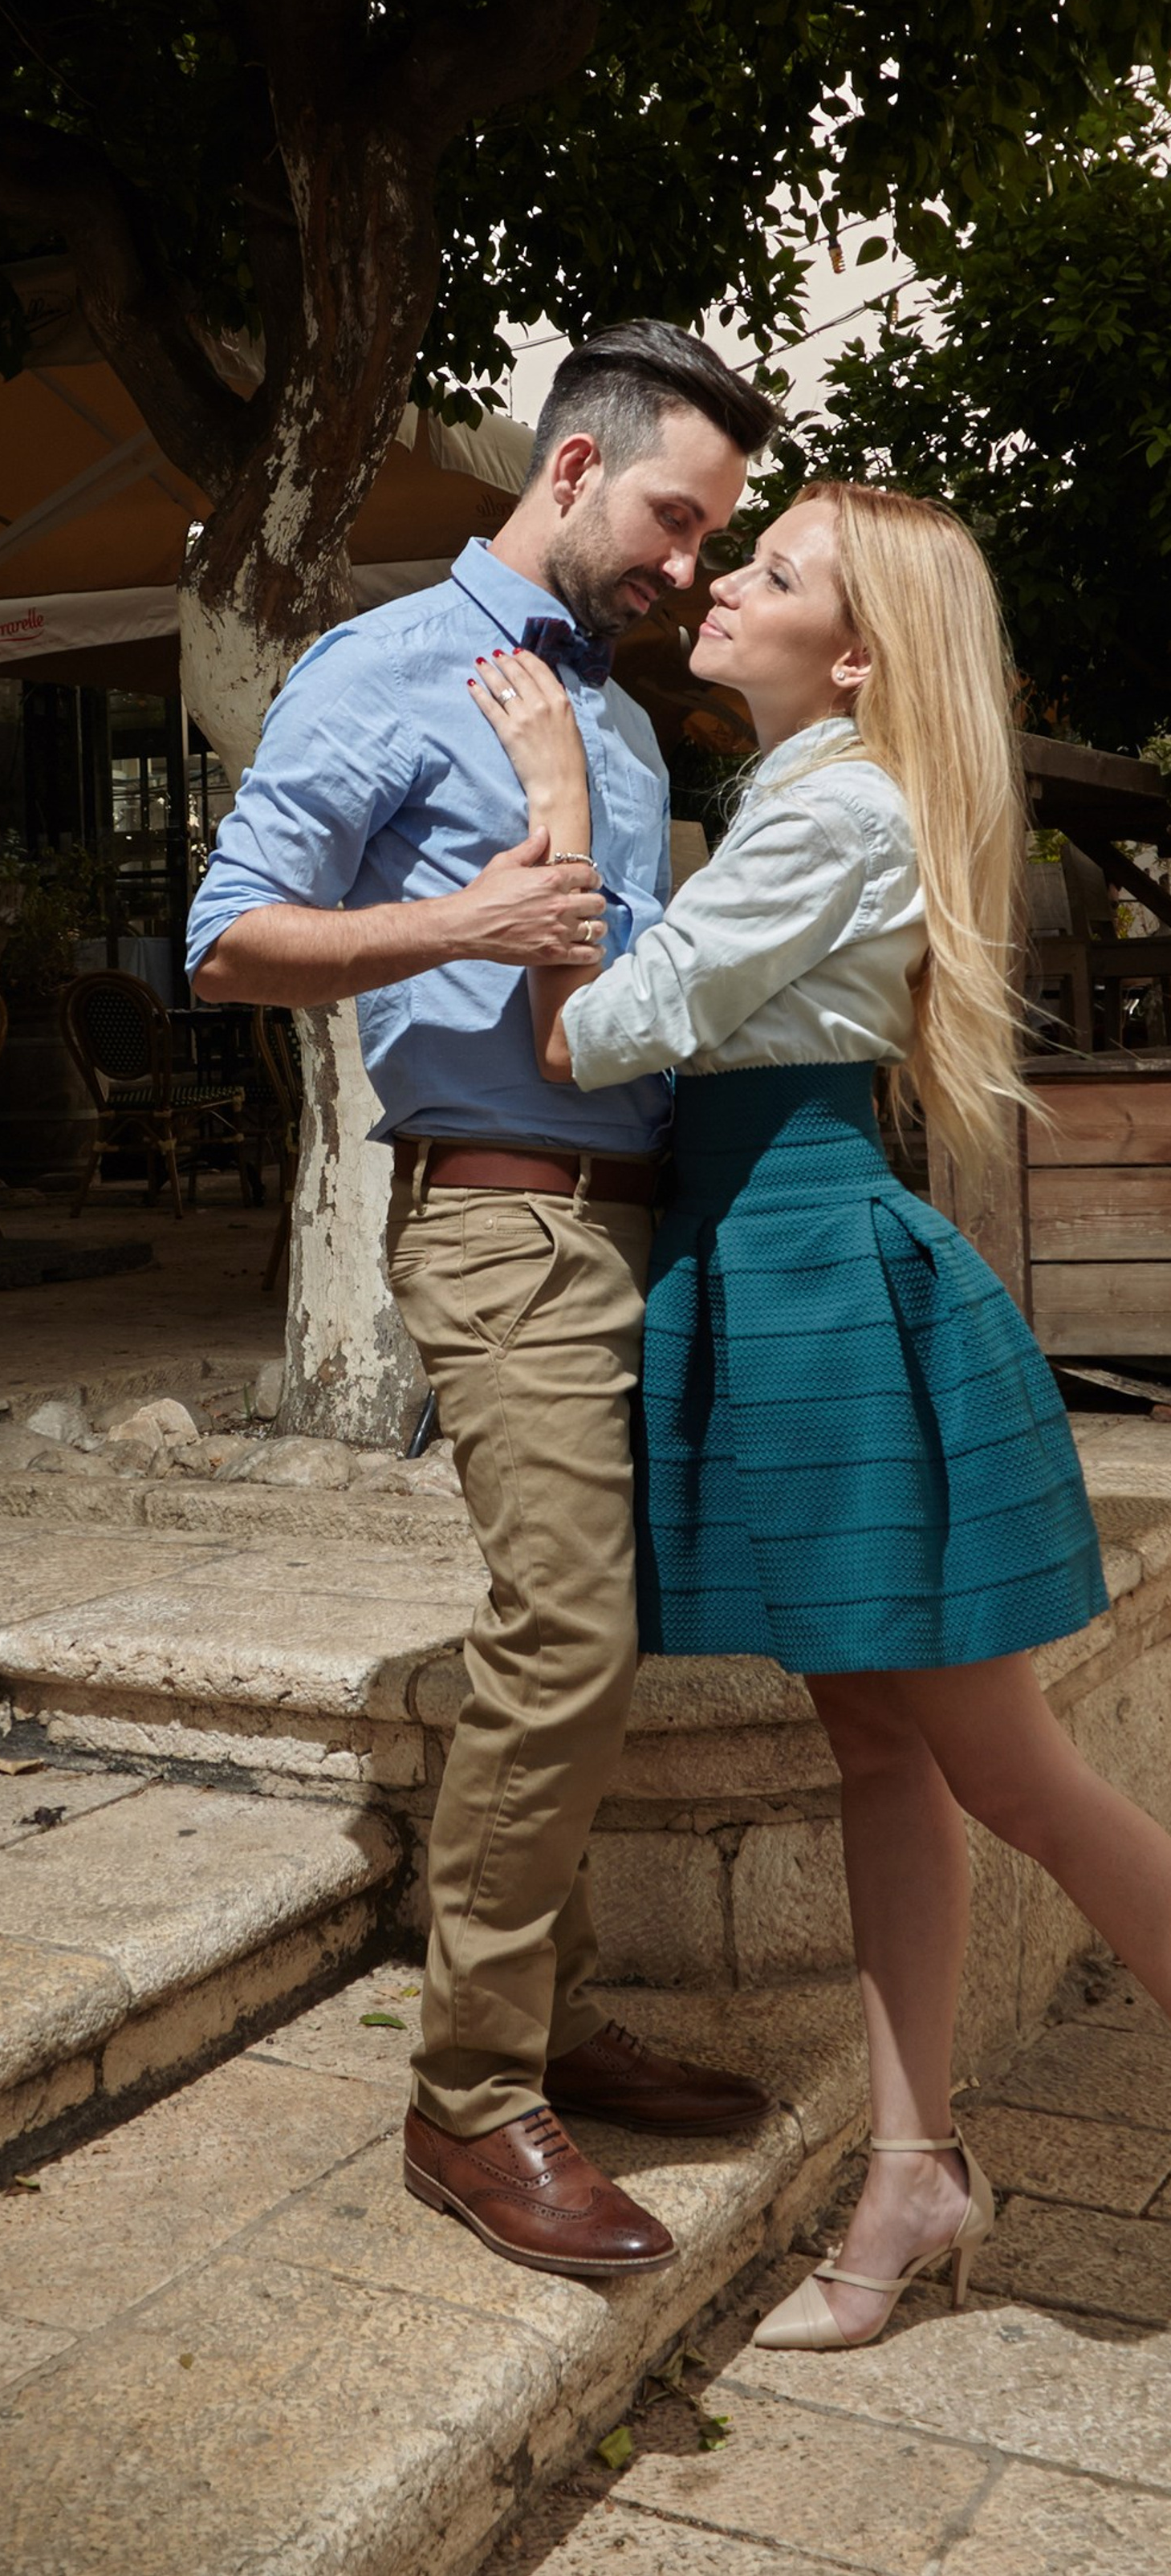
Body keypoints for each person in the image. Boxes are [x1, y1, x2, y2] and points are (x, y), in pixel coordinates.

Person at [470, 475, 1171, 2348]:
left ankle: (917, 2165)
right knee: (881, 1753)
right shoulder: (788, 798)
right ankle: (910, 2165)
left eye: (768, 573)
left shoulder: (836, 806)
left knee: (1006, 1770)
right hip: (767, 1272)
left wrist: (547, 792)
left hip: (812, 1281)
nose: (717, 585)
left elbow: (593, 1030)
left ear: (852, 656)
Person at [188, 322, 783, 2276]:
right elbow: (224, 943)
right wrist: (461, 920)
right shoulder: (386, 667)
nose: (686, 566)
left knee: (595, 1637)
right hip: (501, 1222)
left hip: (635, 1209)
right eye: (674, 521)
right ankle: (469, 2104)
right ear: (569, 471)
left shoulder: (602, 705)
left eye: (711, 539)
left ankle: (543, 2007)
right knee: (564, 1635)